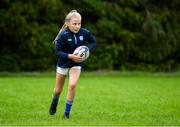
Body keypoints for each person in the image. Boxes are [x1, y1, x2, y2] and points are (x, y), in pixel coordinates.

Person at [49, 10, 96, 119]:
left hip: (76, 64)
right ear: (68, 23)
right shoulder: (63, 35)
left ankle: (66, 114)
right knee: (57, 90)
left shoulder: (84, 32)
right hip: (63, 63)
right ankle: (54, 103)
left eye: (79, 23)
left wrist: (86, 49)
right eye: (74, 24)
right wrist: (71, 56)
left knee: (72, 85)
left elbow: (93, 42)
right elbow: (58, 52)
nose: (77, 26)